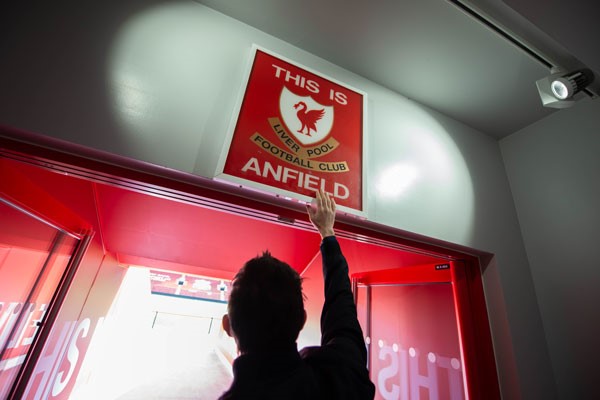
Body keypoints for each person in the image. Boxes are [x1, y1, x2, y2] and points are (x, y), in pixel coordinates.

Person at [219, 190, 375, 399]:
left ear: (228, 325)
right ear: (302, 320)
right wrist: (327, 231)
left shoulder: (340, 374)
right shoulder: (338, 377)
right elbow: (341, 310)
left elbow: (342, 315)